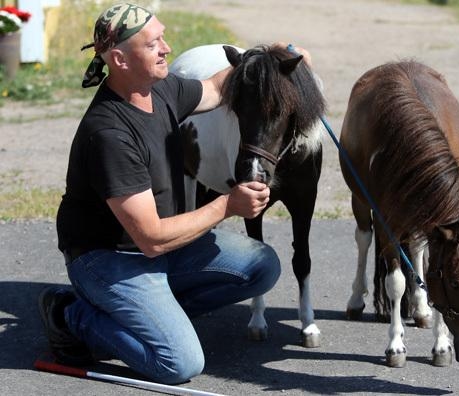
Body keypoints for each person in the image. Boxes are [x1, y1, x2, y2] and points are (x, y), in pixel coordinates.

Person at [38, 3, 302, 384]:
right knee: (178, 363)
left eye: (163, 37)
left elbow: (217, 87)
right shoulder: (109, 133)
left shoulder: (160, 90)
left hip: (164, 249)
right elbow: (150, 239)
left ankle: (151, 317)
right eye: (154, 44)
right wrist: (228, 204)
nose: (167, 48)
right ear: (119, 59)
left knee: (262, 266)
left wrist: (268, 57)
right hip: (112, 261)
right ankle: (70, 314)